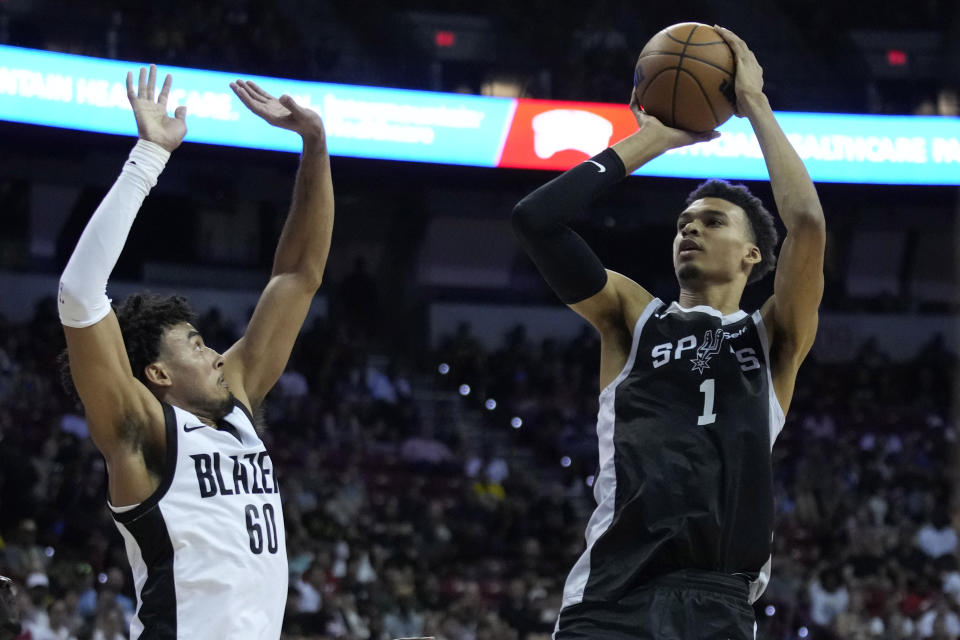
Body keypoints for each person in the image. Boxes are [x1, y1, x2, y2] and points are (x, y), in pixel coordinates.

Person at [511, 27, 825, 639]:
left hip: (719, 601)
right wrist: (651, 139)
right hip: (610, 594)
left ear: (753, 256)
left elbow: (807, 221)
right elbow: (535, 222)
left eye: (711, 221)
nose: (689, 229)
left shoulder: (772, 338)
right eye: (682, 222)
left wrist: (753, 103)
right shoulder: (632, 316)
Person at [58, 64, 334, 638]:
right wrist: (148, 158)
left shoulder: (233, 404)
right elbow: (79, 294)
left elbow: (298, 275)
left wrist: (314, 146)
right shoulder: (141, 429)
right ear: (156, 372)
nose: (215, 354)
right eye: (197, 344)